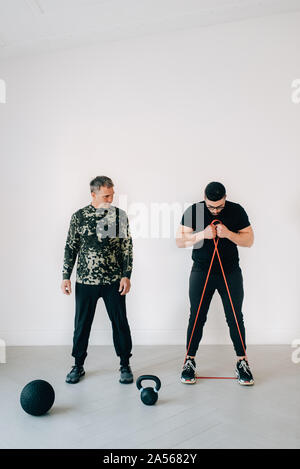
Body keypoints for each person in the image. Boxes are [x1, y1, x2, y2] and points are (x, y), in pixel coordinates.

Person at [176, 181, 254, 386]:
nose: (215, 210)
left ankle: (242, 362)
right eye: (211, 207)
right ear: (205, 198)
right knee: (197, 315)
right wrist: (203, 234)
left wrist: (228, 233)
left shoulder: (236, 211)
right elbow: (179, 241)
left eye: (219, 206)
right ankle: (189, 361)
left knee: (235, 316)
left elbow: (249, 240)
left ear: (225, 198)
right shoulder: (195, 211)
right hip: (202, 271)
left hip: (230, 272)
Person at [61, 176, 134, 385]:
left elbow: (126, 248)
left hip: (113, 281)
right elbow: (70, 247)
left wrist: (126, 275)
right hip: (85, 281)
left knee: (120, 323)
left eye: (112, 194)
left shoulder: (118, 216)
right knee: (82, 325)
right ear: (93, 194)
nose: (111, 199)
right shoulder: (79, 217)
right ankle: (78, 365)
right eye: (106, 195)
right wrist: (66, 276)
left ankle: (125, 364)